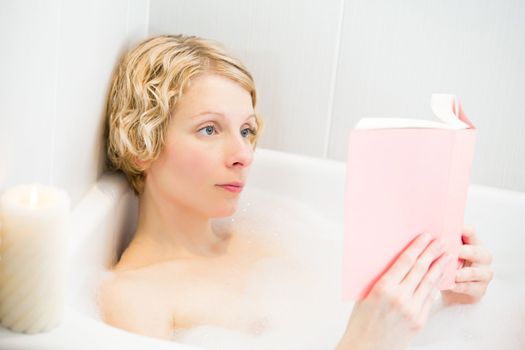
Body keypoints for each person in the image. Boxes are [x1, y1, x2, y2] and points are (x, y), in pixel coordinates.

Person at [98, 34, 493, 348]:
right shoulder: (135, 297)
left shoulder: (267, 240)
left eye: (247, 131)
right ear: (141, 145)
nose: (243, 154)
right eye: (209, 129)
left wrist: (447, 304)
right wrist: (364, 344)